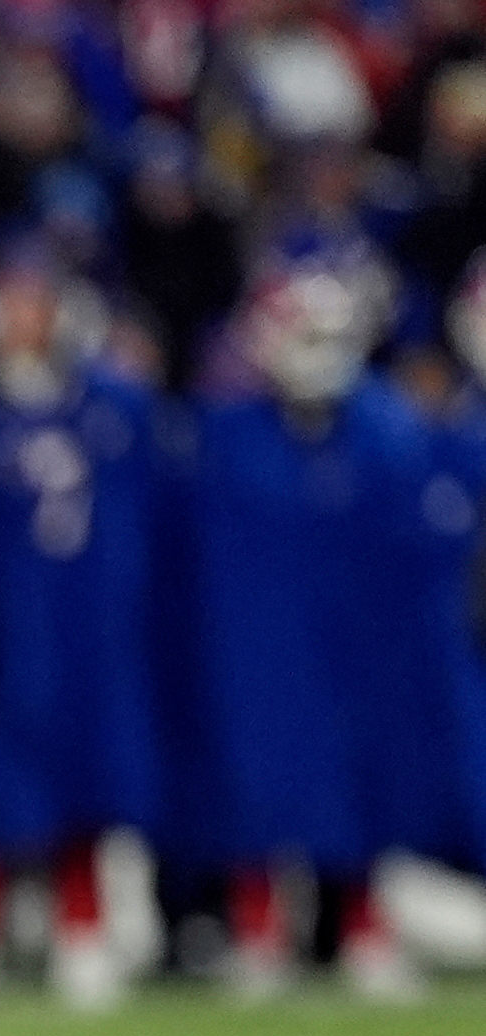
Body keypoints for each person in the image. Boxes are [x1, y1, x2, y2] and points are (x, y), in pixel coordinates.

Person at [176, 259, 452, 996]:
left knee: (365, 787)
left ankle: (363, 930)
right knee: (258, 787)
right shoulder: (226, 436)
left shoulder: (385, 431)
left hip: (359, 648)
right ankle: (259, 934)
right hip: (262, 652)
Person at [0, 247, 163, 1006]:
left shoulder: (106, 407)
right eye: (9, 302)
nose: (21, 320)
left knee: (85, 781)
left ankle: (82, 928)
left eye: (34, 303)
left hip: (85, 628)